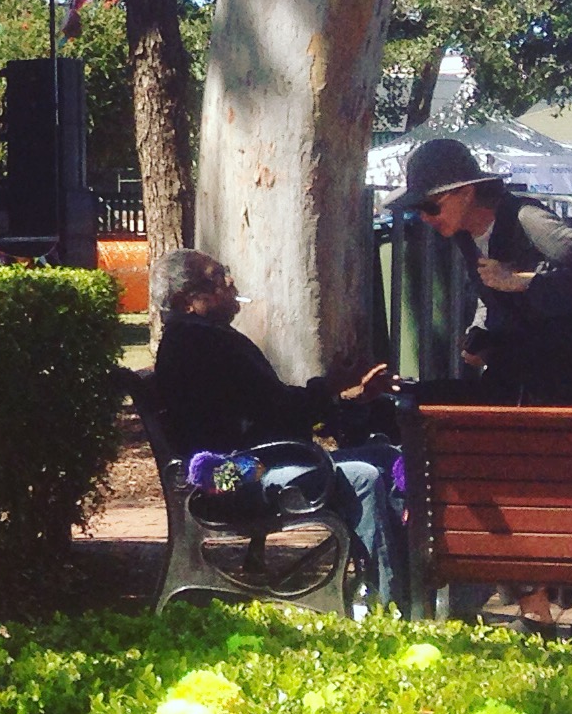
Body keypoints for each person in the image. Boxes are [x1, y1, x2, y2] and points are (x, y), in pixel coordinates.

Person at [148, 248, 404, 604]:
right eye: (217, 277)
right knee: (364, 476)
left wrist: (341, 396)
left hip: (254, 460)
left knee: (387, 457)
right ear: (186, 301)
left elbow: (271, 408)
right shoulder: (202, 343)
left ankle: (410, 585)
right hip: (231, 476)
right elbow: (278, 415)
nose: (230, 281)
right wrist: (332, 389)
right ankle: (389, 603)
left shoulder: (199, 338)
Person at [395, 135, 572, 406]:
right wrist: (480, 333)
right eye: (418, 209)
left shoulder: (530, 219)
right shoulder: (464, 236)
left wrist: (521, 282)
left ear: (466, 193)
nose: (424, 217)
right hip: (524, 373)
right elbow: (491, 297)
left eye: (430, 206)